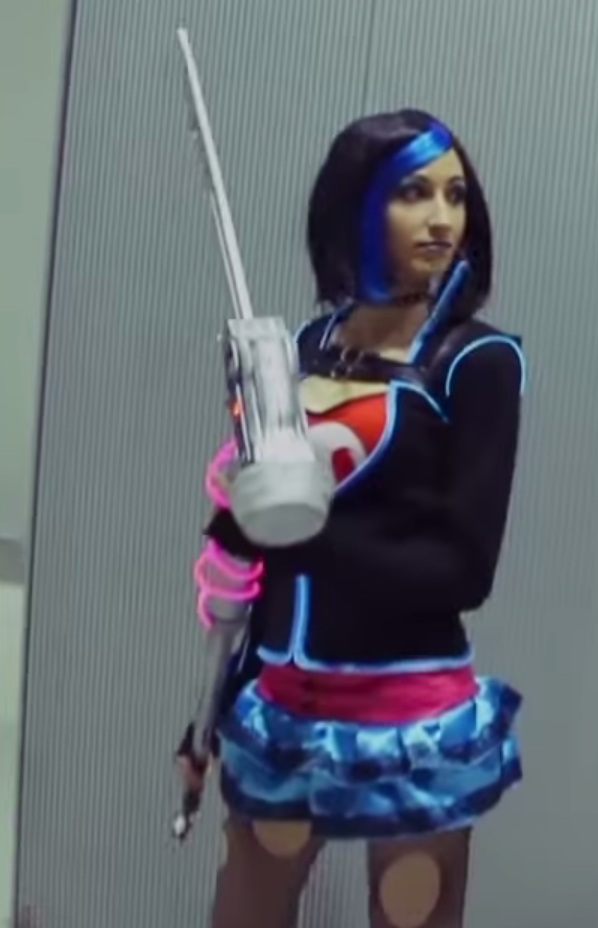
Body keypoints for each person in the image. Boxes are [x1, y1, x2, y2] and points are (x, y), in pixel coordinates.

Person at [182, 108, 526, 928]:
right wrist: (210, 707)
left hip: (408, 721)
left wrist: (307, 523)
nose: (442, 218)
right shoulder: (305, 347)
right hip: (284, 708)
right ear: (358, 206)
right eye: (414, 193)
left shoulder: (476, 362)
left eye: (455, 195)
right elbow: (254, 549)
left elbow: (463, 571)